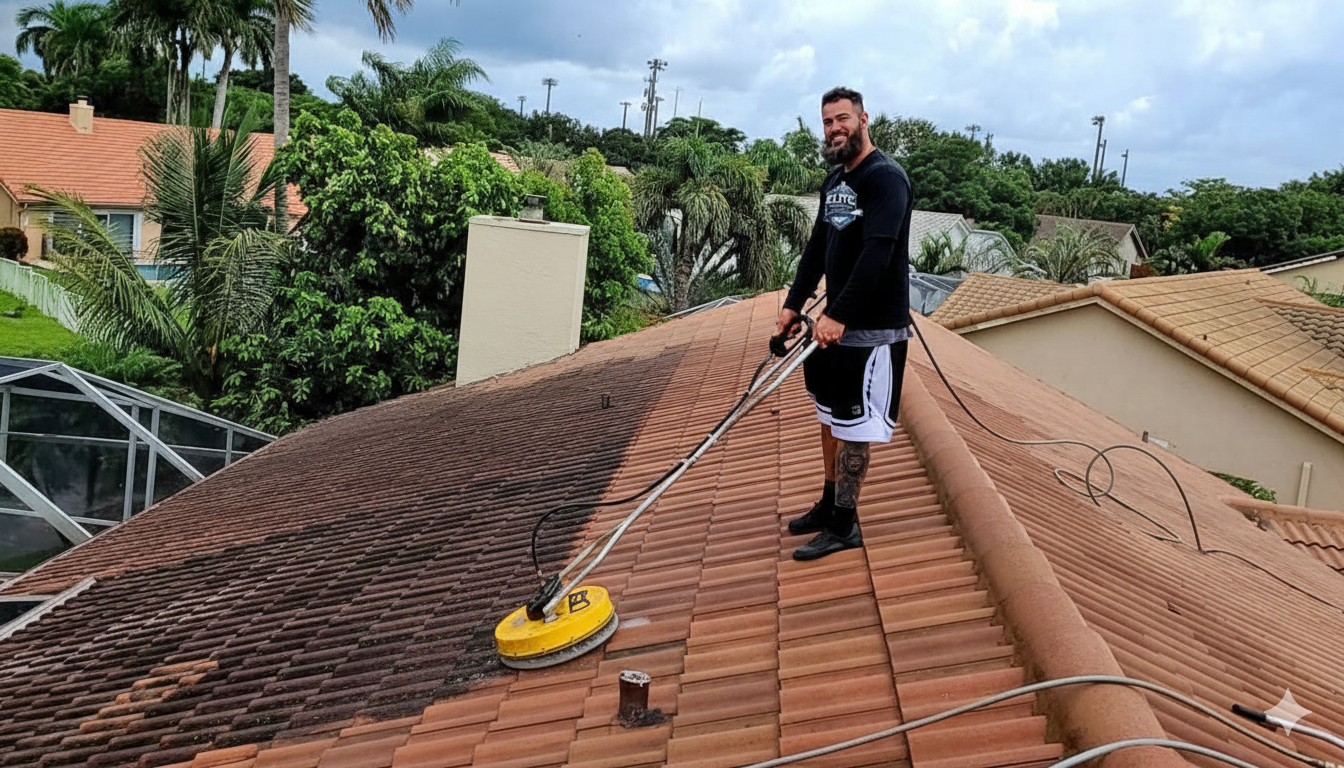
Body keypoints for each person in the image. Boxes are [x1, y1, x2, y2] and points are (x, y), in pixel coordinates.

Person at [776, 86, 914, 561]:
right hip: (834, 329)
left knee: (854, 428)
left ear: (863, 119)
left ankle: (845, 524)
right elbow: (818, 248)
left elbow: (879, 253)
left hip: (872, 332)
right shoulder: (835, 181)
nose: (834, 129)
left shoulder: (885, 179)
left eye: (842, 119)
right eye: (827, 122)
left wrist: (838, 314)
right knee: (830, 418)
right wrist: (794, 305)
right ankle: (830, 502)